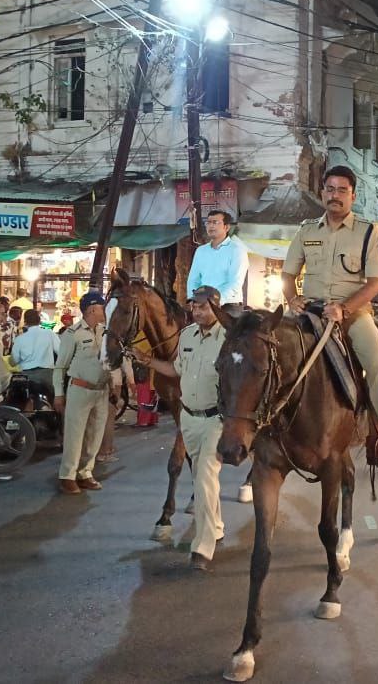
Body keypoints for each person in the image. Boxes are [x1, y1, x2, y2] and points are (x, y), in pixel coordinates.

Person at [281, 164, 378, 467]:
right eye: (329, 189)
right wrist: (292, 298)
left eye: (341, 190)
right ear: (322, 192)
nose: (334, 195)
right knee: (268, 353)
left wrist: (344, 308)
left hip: (352, 314)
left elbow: (377, 282)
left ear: (352, 195)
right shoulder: (306, 230)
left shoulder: (369, 232)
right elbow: (288, 275)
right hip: (309, 311)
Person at [136, 285, 227, 570]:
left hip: (216, 419)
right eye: (194, 307)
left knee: (204, 477)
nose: (197, 311)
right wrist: (149, 361)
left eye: (202, 307)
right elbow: (176, 370)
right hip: (188, 418)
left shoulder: (229, 338)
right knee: (205, 477)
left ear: (216, 307)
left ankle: (203, 545)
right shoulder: (186, 336)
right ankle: (218, 524)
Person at [53, 291, 111, 494]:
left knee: (95, 434)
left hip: (101, 390)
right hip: (79, 389)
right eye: (102, 307)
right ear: (92, 309)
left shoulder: (106, 332)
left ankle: (85, 472)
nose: (105, 311)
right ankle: (67, 475)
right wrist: (59, 394)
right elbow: (60, 366)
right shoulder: (73, 334)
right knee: (75, 435)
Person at [188, 210, 251, 309]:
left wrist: (216, 301)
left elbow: (235, 283)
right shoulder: (201, 251)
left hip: (228, 305)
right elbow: (193, 280)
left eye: (215, 222)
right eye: (208, 222)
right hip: (203, 304)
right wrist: (193, 299)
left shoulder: (237, 250)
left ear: (226, 227)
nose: (211, 226)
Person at [11, 308, 61, 403]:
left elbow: (13, 361)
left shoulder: (19, 339)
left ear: (25, 322)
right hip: (47, 376)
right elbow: (61, 352)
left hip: (27, 378)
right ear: (39, 321)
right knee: (55, 403)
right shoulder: (49, 334)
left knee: (22, 404)